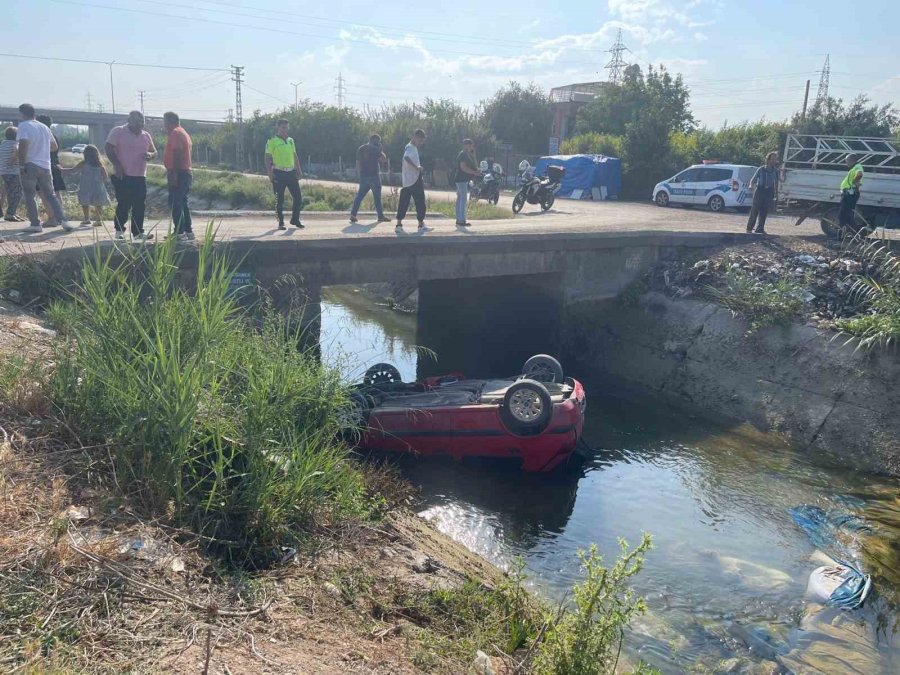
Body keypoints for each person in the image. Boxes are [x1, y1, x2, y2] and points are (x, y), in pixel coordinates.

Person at [16, 103, 71, 233]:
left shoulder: (24, 125)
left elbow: (23, 144)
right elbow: (54, 146)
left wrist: (22, 164)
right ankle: (63, 220)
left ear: (22, 113)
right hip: (45, 166)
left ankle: (35, 224)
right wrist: (42, 150)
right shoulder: (44, 127)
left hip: (30, 164)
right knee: (51, 195)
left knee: (30, 194)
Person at [105, 110, 157, 241]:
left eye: (142, 123)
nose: (140, 126)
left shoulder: (146, 135)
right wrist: (117, 164)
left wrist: (150, 155)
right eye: (137, 123)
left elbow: (154, 151)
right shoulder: (118, 131)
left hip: (140, 175)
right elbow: (108, 148)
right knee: (124, 203)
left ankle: (138, 232)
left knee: (139, 204)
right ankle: (119, 230)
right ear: (129, 121)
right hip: (123, 174)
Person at [264, 119, 304, 230]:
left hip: (291, 172)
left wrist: (299, 170)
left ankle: (295, 219)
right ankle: (281, 222)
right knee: (279, 199)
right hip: (279, 172)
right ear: (277, 127)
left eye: (287, 127)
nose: (285, 130)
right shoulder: (272, 140)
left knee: (298, 197)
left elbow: (295, 156)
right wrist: (270, 173)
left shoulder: (291, 140)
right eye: (283, 127)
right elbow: (267, 157)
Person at [163, 111, 194, 240]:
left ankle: (179, 233)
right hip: (185, 172)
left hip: (179, 172)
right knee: (182, 202)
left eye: (165, 122)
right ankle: (188, 231)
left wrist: (173, 173)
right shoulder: (183, 132)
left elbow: (177, 153)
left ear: (169, 121)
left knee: (176, 203)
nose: (164, 125)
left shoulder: (175, 133)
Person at [61, 145, 109, 227]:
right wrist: (101, 181)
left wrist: (61, 169)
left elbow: (72, 170)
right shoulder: (100, 165)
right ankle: (98, 220)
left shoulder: (83, 164)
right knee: (98, 204)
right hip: (98, 187)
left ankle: (87, 219)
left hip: (86, 186)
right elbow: (105, 176)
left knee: (85, 203)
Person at [349, 134, 389, 224]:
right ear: (375, 140)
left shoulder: (361, 148)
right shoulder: (375, 149)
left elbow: (357, 162)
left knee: (359, 196)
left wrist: (359, 175)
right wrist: (381, 150)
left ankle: (353, 214)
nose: (379, 143)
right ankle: (380, 216)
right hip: (374, 176)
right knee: (377, 197)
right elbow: (383, 159)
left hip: (363, 176)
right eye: (378, 141)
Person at [396, 129, 427, 233]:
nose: (421, 143)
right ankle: (420, 225)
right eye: (420, 140)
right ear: (415, 137)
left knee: (404, 202)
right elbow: (406, 158)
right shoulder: (410, 147)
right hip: (414, 179)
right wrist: (417, 167)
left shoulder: (410, 147)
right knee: (420, 202)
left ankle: (399, 224)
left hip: (407, 181)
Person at [746, 151, 779, 234]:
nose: (774, 161)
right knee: (755, 210)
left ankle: (760, 229)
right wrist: (751, 186)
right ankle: (749, 229)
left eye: (775, 159)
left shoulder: (775, 171)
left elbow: (778, 181)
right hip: (760, 190)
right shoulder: (761, 169)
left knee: (764, 211)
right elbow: (753, 180)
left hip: (769, 191)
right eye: (773, 159)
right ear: (768, 160)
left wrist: (776, 193)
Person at [454, 139, 480, 227]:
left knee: (460, 199)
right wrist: (473, 172)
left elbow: (476, 167)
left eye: (472, 145)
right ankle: (461, 220)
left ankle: (459, 220)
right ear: (465, 145)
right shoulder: (463, 154)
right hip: (461, 179)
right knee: (463, 199)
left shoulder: (468, 155)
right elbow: (463, 167)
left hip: (462, 179)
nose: (471, 147)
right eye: (469, 145)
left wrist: (474, 156)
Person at [0, 126, 24, 222]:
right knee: (18, 193)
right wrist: (13, 160)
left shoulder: (3, 144)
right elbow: (17, 150)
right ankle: (10, 214)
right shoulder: (15, 143)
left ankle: (12, 213)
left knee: (10, 193)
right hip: (13, 172)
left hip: (3, 172)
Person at [838, 153, 864, 232]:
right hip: (850, 193)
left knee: (842, 216)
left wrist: (854, 181)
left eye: (846, 161)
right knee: (848, 216)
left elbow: (859, 174)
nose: (846, 163)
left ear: (850, 160)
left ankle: (842, 236)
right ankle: (853, 234)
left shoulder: (857, 166)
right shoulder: (855, 167)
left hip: (850, 194)